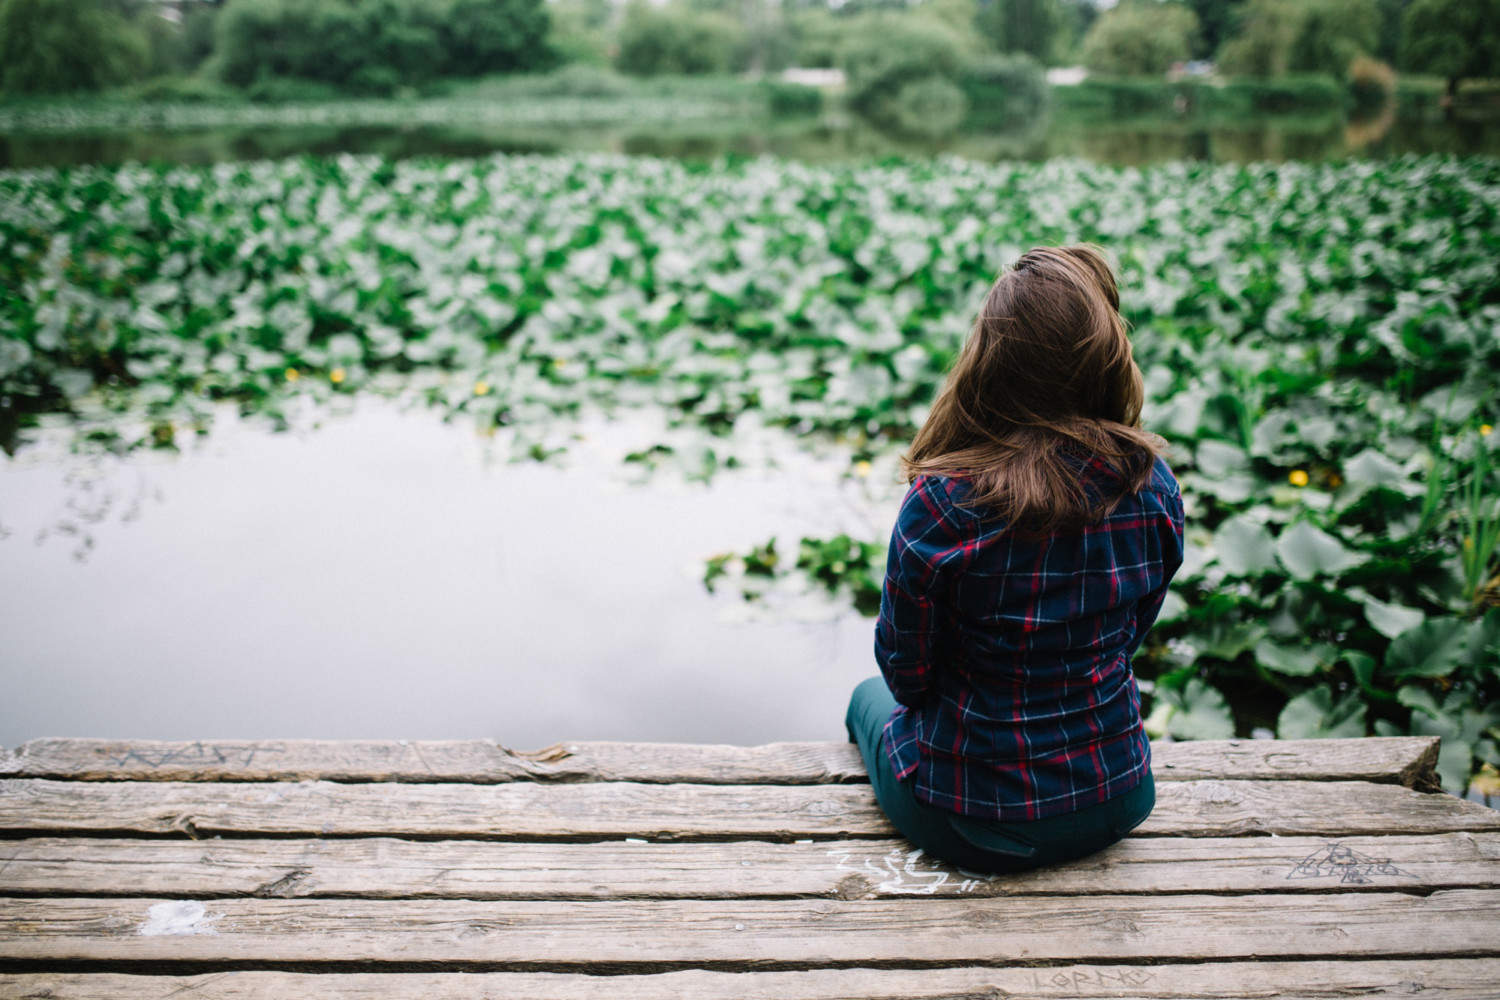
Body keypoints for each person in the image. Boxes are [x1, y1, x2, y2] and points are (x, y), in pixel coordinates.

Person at [845, 243, 1186, 875]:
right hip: (1120, 796)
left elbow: (905, 674)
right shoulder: (1152, 484)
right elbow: (1129, 634)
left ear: (988, 362)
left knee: (864, 701)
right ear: (1107, 360)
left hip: (976, 821)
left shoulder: (945, 500)